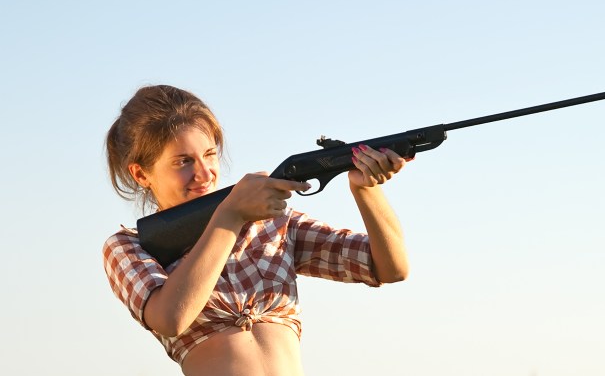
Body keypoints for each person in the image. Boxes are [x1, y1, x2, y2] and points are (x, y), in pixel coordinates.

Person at [102, 85, 409, 376]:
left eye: (210, 154)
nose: (205, 172)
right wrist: (230, 216)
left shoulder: (274, 223)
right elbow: (171, 318)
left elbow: (390, 268)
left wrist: (365, 190)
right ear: (141, 173)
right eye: (183, 161)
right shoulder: (130, 246)